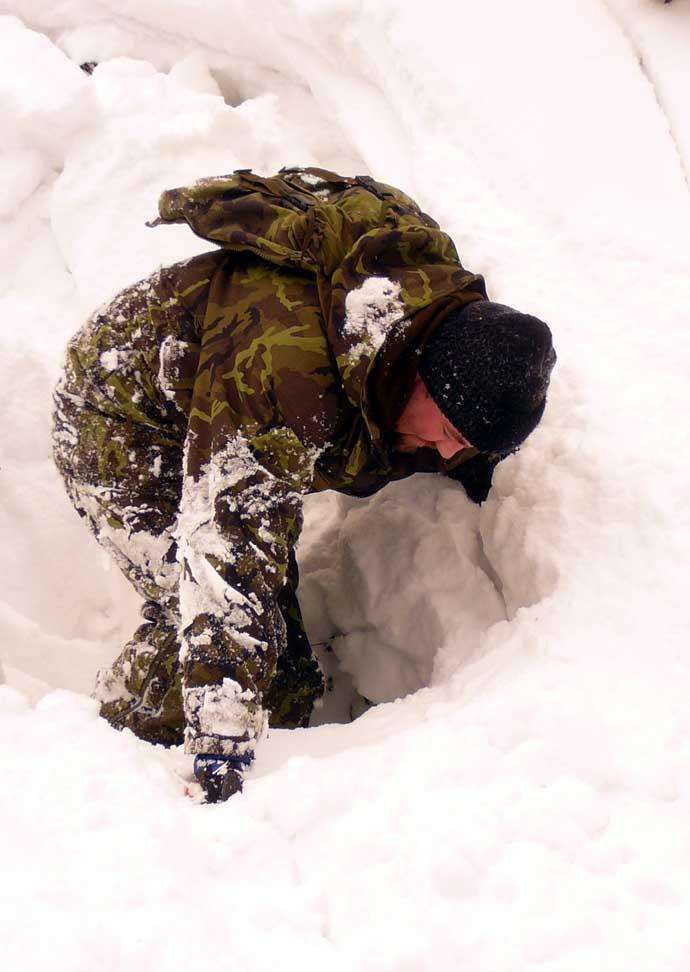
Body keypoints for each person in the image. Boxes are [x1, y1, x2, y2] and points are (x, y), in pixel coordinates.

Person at [52, 166, 556, 802]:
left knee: (279, 655)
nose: (452, 454)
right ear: (420, 376)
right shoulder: (287, 376)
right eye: (453, 432)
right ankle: (104, 757)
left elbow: (465, 415)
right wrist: (222, 739)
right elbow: (226, 550)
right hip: (125, 420)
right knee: (251, 659)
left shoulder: (440, 322)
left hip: (233, 406)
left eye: (472, 445)